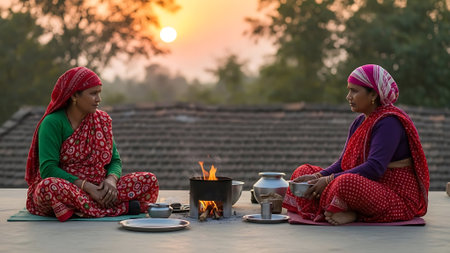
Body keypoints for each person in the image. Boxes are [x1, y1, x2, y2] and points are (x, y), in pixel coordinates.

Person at [283, 64, 429, 225]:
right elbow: (342, 163)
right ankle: (339, 209)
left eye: (354, 91)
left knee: (345, 183)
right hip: (368, 186)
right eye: (349, 90)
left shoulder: (389, 122)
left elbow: (375, 168)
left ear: (373, 93)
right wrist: (318, 176)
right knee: (302, 172)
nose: (348, 96)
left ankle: (352, 213)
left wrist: (328, 180)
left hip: (393, 194)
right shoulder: (360, 121)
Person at [25, 67, 159, 221]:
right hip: (70, 188)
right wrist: (86, 187)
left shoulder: (101, 120)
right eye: (93, 93)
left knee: (149, 180)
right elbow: (48, 169)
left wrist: (111, 181)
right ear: (75, 95)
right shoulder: (53, 123)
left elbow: (114, 161)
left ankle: (83, 209)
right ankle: (124, 208)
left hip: (102, 187)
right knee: (47, 187)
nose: (99, 99)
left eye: (99, 93)